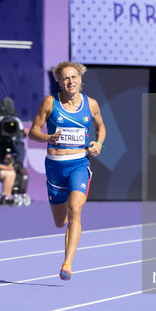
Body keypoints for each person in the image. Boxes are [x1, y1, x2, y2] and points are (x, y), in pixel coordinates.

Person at [29, 61, 106, 281]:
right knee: (60, 221)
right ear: (59, 82)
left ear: (80, 79)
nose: (70, 81)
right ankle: (67, 244)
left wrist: (99, 143)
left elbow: (101, 127)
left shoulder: (91, 104)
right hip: (54, 166)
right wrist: (47, 137)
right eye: (65, 78)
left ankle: (67, 264)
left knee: (75, 211)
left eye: (74, 77)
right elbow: (33, 132)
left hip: (79, 164)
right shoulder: (50, 102)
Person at [0, 97, 29, 163]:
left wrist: (25, 133)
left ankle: (19, 166)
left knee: (20, 144)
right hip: (1, 147)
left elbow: (20, 136)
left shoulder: (16, 121)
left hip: (14, 146)